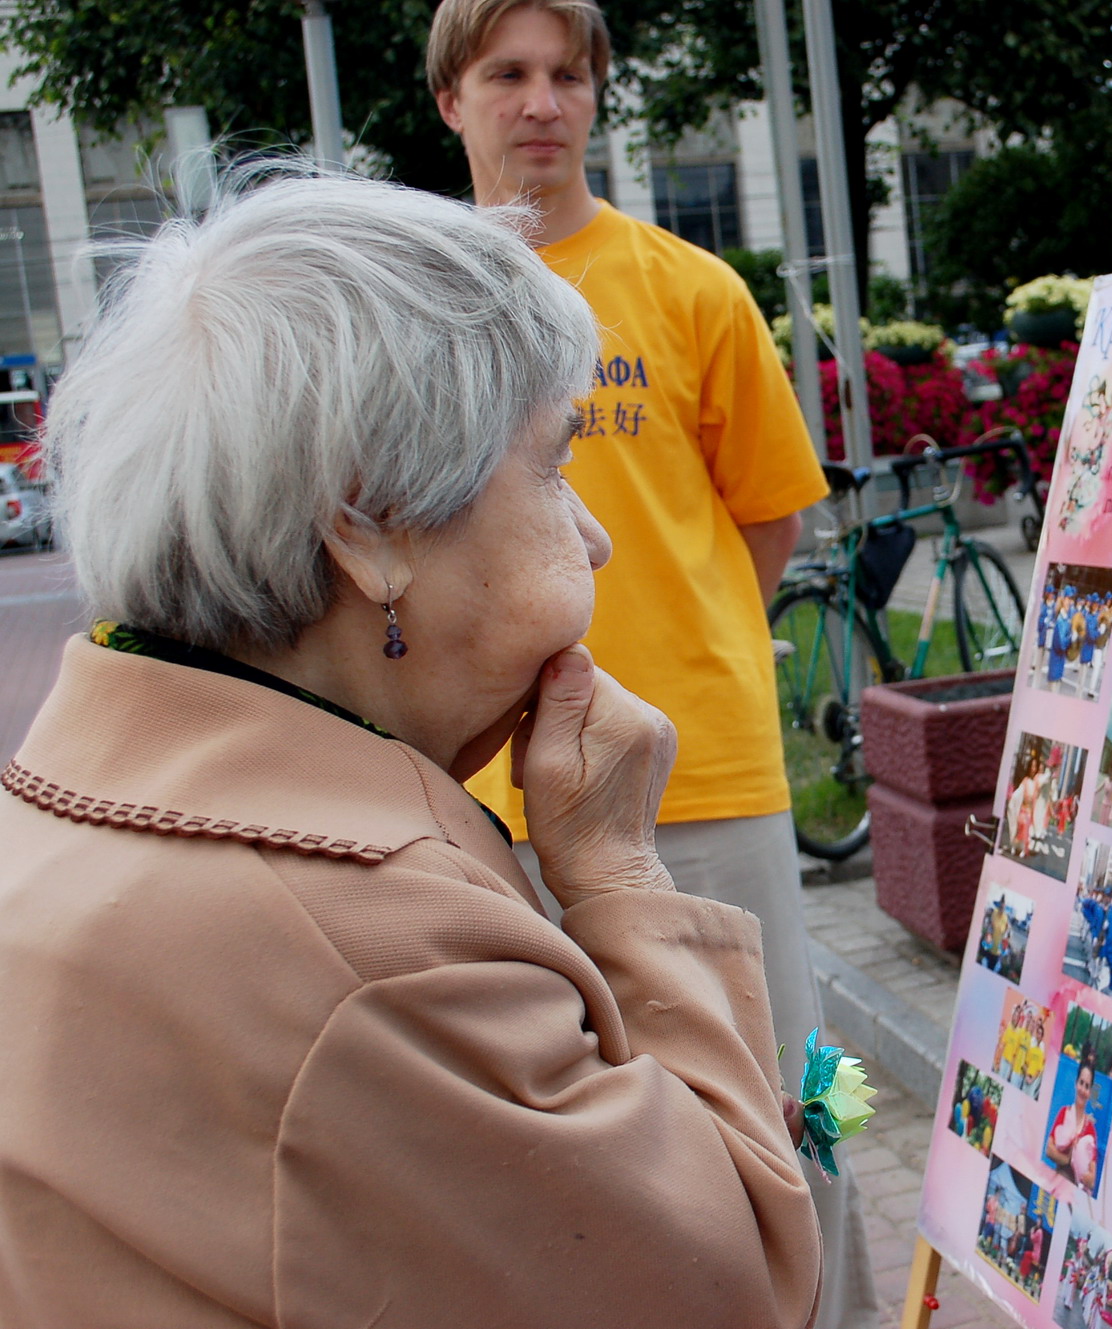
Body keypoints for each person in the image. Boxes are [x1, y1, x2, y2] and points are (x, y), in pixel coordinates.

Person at [0, 172, 820, 1324]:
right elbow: (726, 1282)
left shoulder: (60, 797)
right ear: (368, 525)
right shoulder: (384, 952)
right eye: (551, 465)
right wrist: (620, 878)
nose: (591, 541)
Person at [424, 3, 877, 1320]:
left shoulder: (694, 289)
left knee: (781, 1094)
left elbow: (768, 516)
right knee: (547, 1132)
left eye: (568, 75)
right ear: (452, 101)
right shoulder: (416, 315)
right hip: (475, 789)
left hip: (708, 770)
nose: (541, 104)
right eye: (507, 74)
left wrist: (681, 644)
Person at [1048, 1062, 1101, 1190]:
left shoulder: (1090, 1130)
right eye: (1081, 1083)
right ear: (1076, 1083)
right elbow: (1049, 1150)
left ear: (1090, 1091)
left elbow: (1092, 1180)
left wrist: (1083, 1173)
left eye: (1087, 1086)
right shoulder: (1064, 1113)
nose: (1083, 1090)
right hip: (1056, 1184)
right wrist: (1068, 1159)